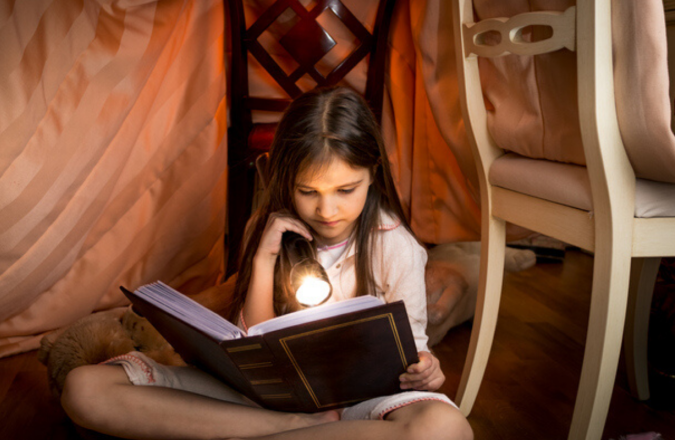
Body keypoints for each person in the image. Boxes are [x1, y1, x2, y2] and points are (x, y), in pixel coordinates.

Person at [61, 86, 474, 440]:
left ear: (373, 174)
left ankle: (245, 431)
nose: (326, 209)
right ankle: (292, 429)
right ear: (285, 181)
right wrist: (262, 259)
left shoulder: (394, 245)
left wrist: (425, 370)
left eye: (346, 189)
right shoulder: (268, 228)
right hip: (262, 405)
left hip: (361, 406)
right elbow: (252, 347)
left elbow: (412, 349)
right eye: (307, 191)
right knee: (84, 387)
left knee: (446, 428)